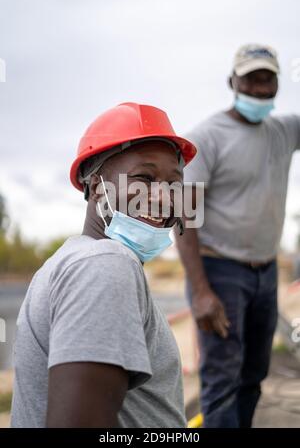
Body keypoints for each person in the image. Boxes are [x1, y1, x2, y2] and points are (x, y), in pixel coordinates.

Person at [11, 102, 197, 428]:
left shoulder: (74, 261)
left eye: (174, 183)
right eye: (144, 178)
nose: (164, 197)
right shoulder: (106, 266)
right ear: (97, 188)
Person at [175, 44, 300, 428]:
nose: (261, 88)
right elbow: (184, 215)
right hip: (219, 271)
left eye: (268, 79)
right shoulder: (207, 138)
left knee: (253, 375)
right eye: (251, 78)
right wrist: (200, 290)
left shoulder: (283, 129)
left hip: (264, 273)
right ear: (233, 81)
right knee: (222, 380)